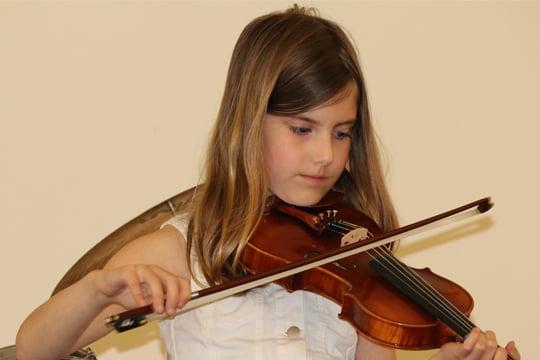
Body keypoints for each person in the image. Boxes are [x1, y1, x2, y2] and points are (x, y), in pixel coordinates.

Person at [16, 5, 520, 360]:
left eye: (341, 132)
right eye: (301, 129)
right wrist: (98, 290)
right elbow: (33, 349)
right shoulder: (185, 250)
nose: (325, 155)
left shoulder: (360, 261)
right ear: (248, 122)